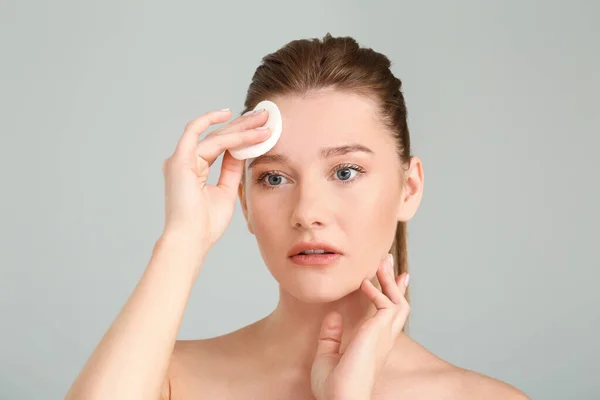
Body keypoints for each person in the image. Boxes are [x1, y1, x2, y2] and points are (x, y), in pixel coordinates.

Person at [65, 33, 529, 399]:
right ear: (244, 202)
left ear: (409, 188)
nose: (307, 212)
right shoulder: (165, 380)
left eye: (345, 171)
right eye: (274, 178)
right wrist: (183, 240)